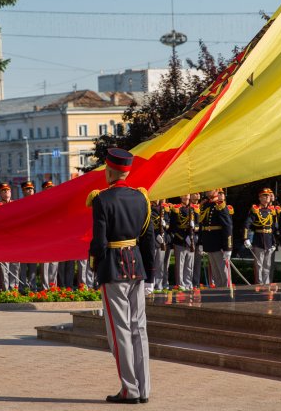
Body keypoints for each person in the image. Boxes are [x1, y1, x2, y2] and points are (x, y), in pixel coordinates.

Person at [87, 148, 153, 404]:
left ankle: (129, 389)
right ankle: (144, 388)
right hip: (137, 267)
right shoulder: (141, 198)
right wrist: (151, 272)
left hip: (113, 267)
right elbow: (148, 240)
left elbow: (99, 241)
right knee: (139, 328)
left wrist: (95, 264)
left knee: (120, 331)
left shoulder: (102, 200)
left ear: (111, 170)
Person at [198, 190, 234, 288]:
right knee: (215, 273)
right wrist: (201, 242)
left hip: (219, 244)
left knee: (224, 273)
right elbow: (203, 225)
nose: (207, 191)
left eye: (210, 189)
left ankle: (227, 295)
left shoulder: (220, 205)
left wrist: (228, 247)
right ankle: (218, 294)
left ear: (216, 191)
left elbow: (228, 227)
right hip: (209, 243)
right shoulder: (205, 205)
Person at [243, 188, 277, 284]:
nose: (267, 197)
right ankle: (259, 284)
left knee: (267, 265)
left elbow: (273, 228)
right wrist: (246, 238)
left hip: (269, 240)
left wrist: (275, 242)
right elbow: (247, 224)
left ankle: (266, 284)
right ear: (260, 198)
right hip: (259, 239)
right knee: (259, 265)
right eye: (264, 196)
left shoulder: (271, 211)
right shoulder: (256, 210)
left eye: (268, 196)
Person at [169, 194, 199, 290]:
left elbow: (198, 225)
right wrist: (183, 238)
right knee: (180, 264)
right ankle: (180, 284)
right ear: (181, 197)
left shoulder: (194, 209)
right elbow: (173, 227)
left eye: (188, 195)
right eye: (184, 195)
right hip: (180, 239)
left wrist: (194, 228)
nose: (186, 196)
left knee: (190, 264)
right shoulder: (176, 209)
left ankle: (188, 283)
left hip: (191, 240)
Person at [0, 182, 19, 290]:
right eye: (4, 191)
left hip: (14, 239)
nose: (6, 192)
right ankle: (5, 289)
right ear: (0, 193)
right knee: (4, 266)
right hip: (3, 240)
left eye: (8, 190)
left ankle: (14, 289)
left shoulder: (16, 204)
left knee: (15, 265)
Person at [19, 181, 38, 291]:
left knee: (33, 265)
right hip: (23, 239)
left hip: (34, 238)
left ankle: (33, 287)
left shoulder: (37, 203)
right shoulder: (19, 204)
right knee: (23, 265)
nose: (30, 190)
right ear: (23, 191)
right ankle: (22, 287)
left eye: (31, 188)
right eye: (27, 189)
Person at [39, 180, 58, 290]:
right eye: (48, 188)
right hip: (44, 237)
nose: (50, 190)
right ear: (44, 189)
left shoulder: (56, 202)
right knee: (45, 264)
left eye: (51, 187)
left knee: (54, 263)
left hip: (55, 236)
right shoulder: (40, 202)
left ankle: (53, 287)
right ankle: (45, 288)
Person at [151, 199, 170, 291]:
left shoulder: (164, 209)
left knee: (160, 263)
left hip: (162, 239)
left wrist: (165, 224)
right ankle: (151, 283)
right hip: (152, 239)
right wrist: (155, 235)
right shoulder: (148, 208)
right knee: (152, 263)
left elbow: (168, 224)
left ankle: (159, 284)